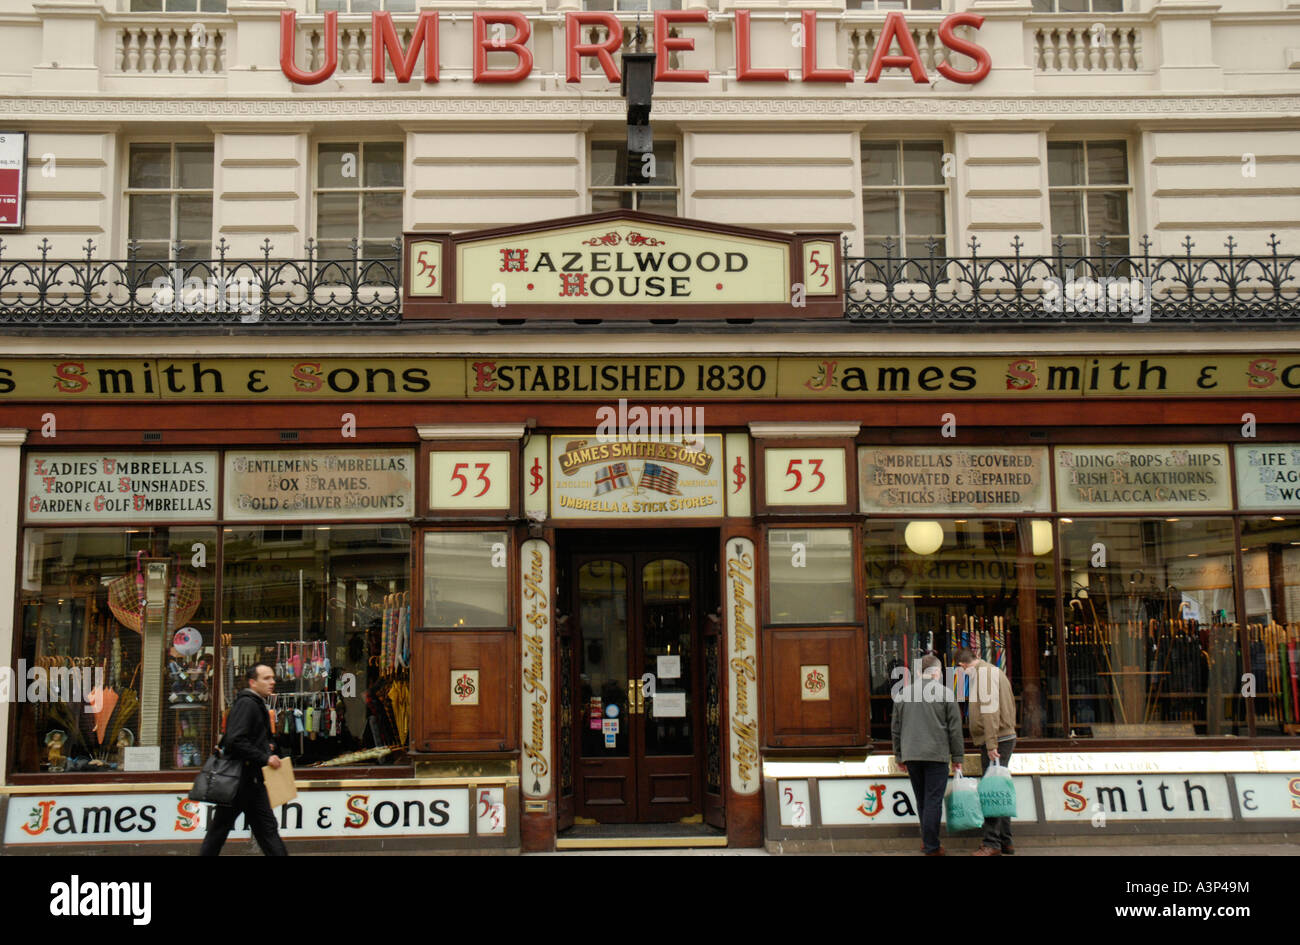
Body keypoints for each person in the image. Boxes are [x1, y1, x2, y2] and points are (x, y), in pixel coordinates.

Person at [199, 662, 289, 856]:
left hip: (250, 781)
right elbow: (235, 740)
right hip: (240, 782)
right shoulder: (247, 703)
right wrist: (265, 757)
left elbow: (244, 739)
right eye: (266, 678)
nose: (272, 682)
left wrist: (269, 747)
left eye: (273, 677)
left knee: (265, 831)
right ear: (252, 682)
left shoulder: (255, 703)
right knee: (222, 831)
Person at [891, 654, 964, 856]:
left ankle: (927, 841)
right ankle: (931, 846)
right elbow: (955, 730)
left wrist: (899, 755)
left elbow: (895, 728)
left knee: (922, 800)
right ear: (938, 672)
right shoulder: (945, 693)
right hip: (936, 755)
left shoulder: (903, 694)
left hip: (911, 754)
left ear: (918, 672)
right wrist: (957, 758)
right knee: (932, 801)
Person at [957, 647, 1018, 856]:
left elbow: (991, 711)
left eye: (962, 671)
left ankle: (991, 843)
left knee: (991, 792)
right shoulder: (993, 670)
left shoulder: (983, 675)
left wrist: (991, 744)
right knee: (999, 789)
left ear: (963, 666)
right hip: (1003, 736)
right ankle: (1005, 841)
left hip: (997, 739)